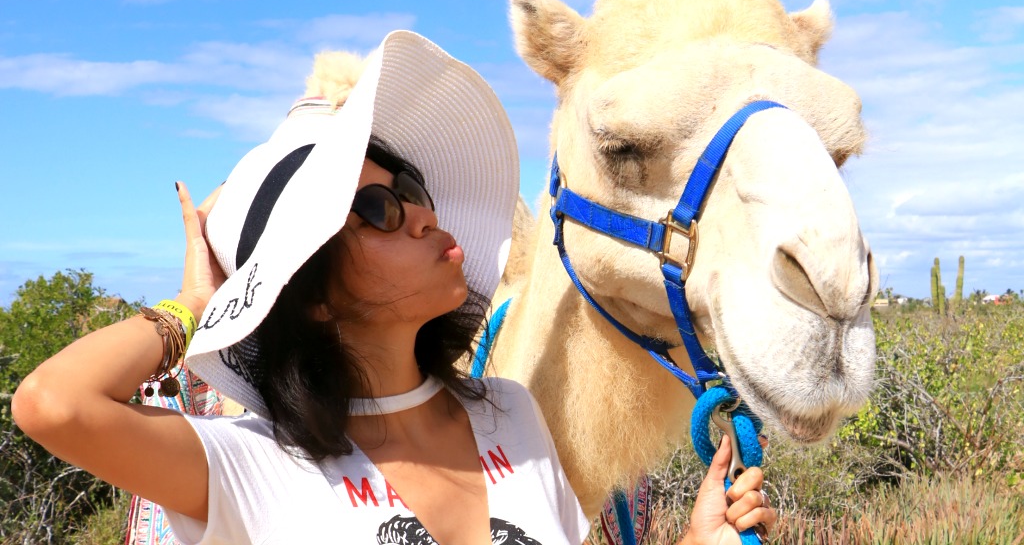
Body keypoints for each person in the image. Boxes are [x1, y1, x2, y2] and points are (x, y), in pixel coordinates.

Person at [13, 30, 776, 544]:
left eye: (410, 186)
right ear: (309, 292)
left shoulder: (511, 412)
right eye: (377, 208)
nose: (420, 213)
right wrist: (198, 308)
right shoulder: (248, 466)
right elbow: (51, 404)